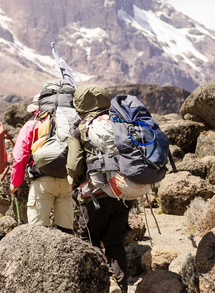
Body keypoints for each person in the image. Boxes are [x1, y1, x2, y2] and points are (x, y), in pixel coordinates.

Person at [67, 85, 130, 292]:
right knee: (115, 243)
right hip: (122, 192)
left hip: (93, 194)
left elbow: (74, 165)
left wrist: (75, 184)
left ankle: (98, 286)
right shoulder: (120, 121)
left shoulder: (80, 127)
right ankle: (120, 286)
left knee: (90, 243)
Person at [11, 95, 74, 233]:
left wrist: (16, 183)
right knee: (66, 229)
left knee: (37, 231)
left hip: (42, 180)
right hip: (66, 179)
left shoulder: (32, 125)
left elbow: (20, 156)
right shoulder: (65, 124)